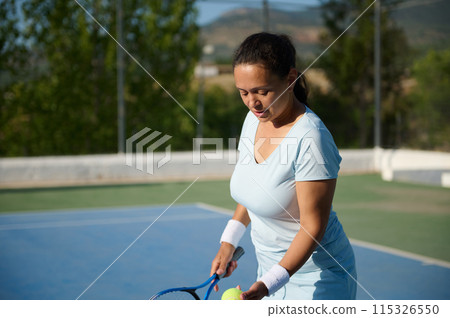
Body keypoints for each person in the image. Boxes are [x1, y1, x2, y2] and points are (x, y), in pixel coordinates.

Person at [209, 32, 357, 300]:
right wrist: (228, 242)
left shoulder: (312, 138)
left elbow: (313, 226)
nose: (253, 102)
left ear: (290, 79)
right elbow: (254, 191)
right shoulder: (253, 120)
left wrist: (269, 283)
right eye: (243, 93)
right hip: (269, 273)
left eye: (262, 92)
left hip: (318, 280)